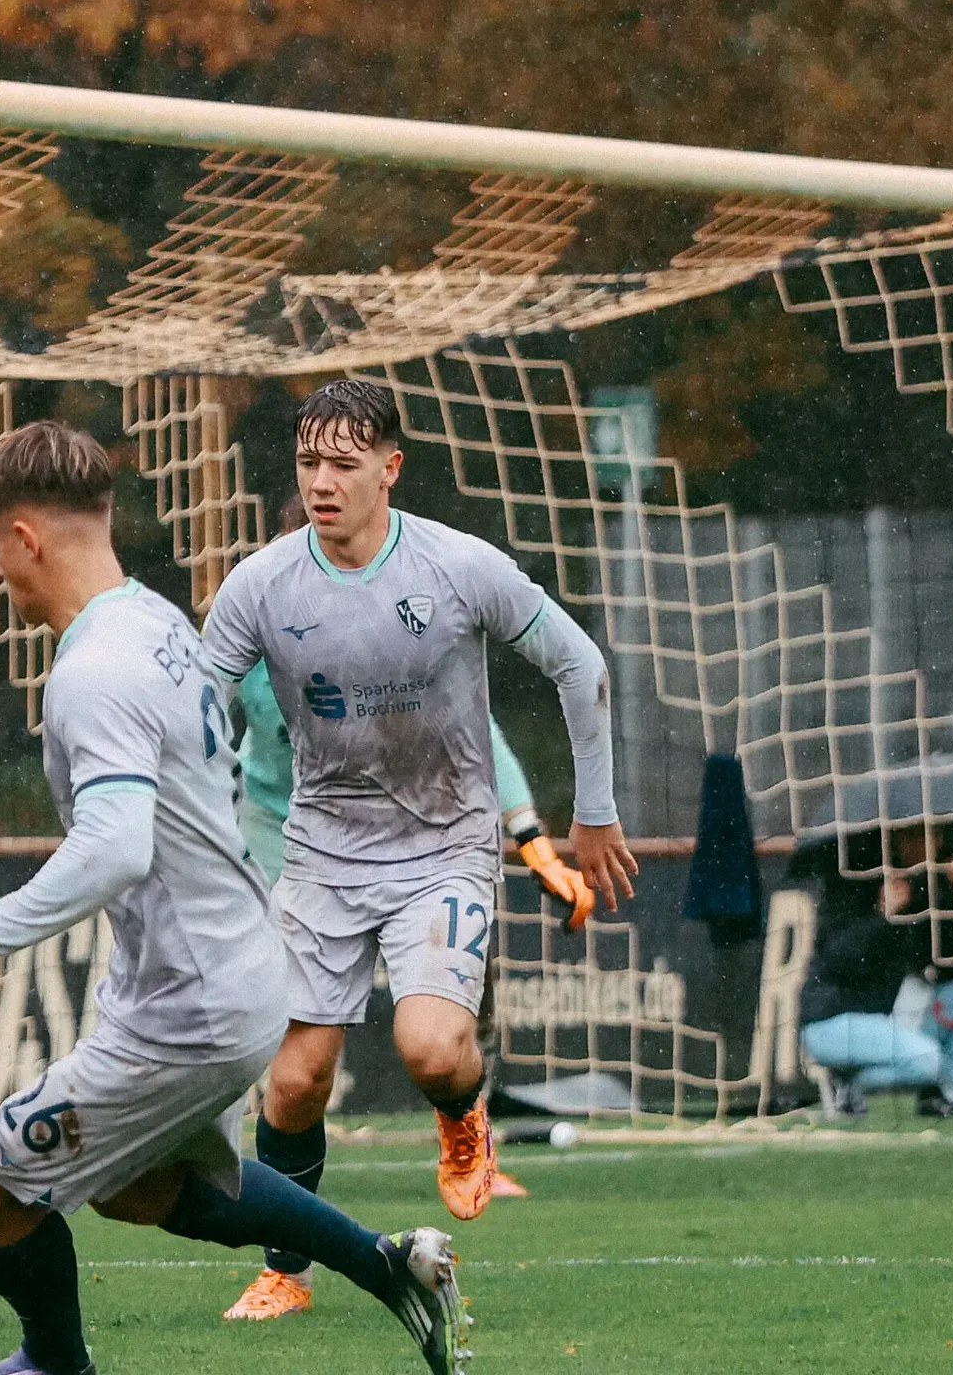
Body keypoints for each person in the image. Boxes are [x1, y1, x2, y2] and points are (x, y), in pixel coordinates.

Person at [0, 419, 469, 1375]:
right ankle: (389, 1266)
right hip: (228, 977)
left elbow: (112, 849)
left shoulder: (92, 674)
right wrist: (5, 472)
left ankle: (57, 1368)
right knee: (135, 1187)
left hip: (184, 1011)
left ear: (25, 538)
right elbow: (54, 504)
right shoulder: (149, 619)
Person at [200, 377, 636, 1323]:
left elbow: (579, 664)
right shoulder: (262, 586)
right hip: (319, 851)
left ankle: (464, 1118)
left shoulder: (456, 567)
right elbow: (191, 709)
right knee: (293, 1079)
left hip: (442, 844)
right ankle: (287, 1269)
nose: (322, 481)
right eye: (309, 462)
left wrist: (591, 814)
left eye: (343, 464)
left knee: (432, 1050)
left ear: (389, 470)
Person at [797, 845, 953, 1120]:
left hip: (887, 1020)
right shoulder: (850, 881)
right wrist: (883, 917)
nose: (929, 841)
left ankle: (944, 1095)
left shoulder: (923, 889)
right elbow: (839, 961)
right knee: (928, 1059)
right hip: (831, 1022)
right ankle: (846, 1083)